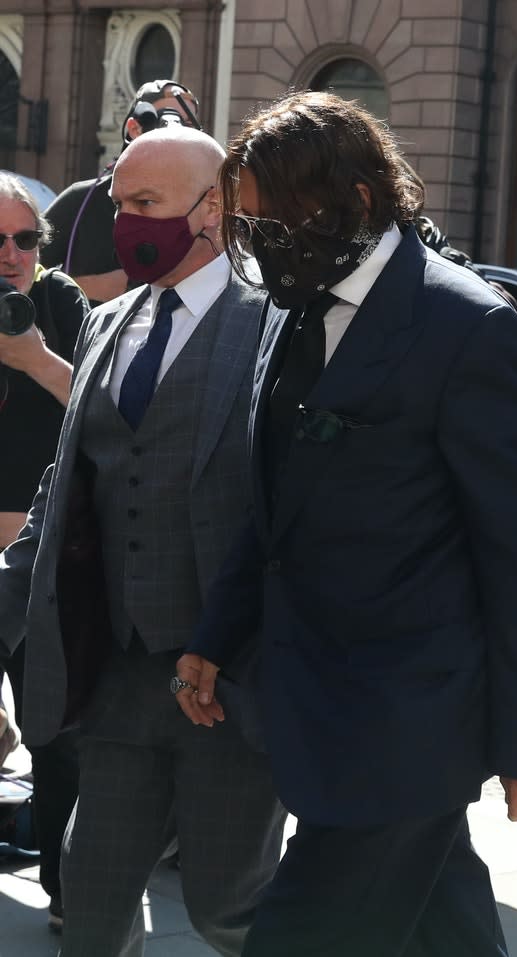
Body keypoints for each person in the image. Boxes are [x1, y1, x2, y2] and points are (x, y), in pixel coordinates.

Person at [176, 91, 517, 957]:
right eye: (252, 226)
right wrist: (218, 634)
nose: (267, 245)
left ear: (359, 198)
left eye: (282, 222)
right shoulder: (293, 306)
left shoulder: (469, 328)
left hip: (408, 725)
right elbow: (274, 503)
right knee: (450, 928)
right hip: (313, 697)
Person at [0, 126, 285, 957]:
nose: (125, 223)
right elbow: (67, 489)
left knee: (227, 907)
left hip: (228, 689)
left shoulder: (275, 324)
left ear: (214, 207)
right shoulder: (107, 322)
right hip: (119, 678)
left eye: (144, 204)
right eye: (119, 203)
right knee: (89, 900)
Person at [0, 170, 89, 929]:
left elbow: (105, 408)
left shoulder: (59, 302)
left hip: (39, 567)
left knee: (54, 729)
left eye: (24, 238)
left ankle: (70, 890)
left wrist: (32, 357)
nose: (10, 254)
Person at [41, 79, 200, 306]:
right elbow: (22, 263)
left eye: (190, 124)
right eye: (170, 119)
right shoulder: (81, 200)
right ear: (135, 128)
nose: (180, 132)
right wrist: (84, 287)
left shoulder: (201, 209)